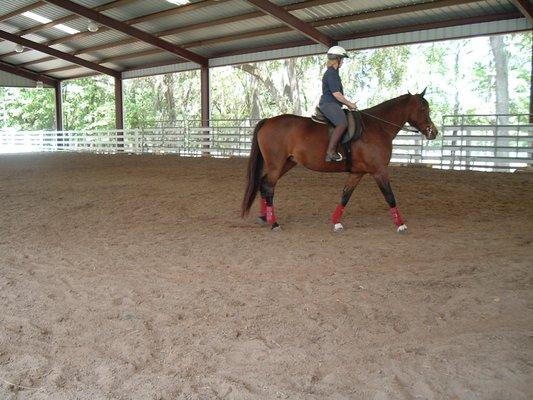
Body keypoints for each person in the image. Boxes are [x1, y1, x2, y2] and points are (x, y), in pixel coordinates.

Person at [319, 46, 358, 162]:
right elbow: (336, 94)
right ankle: (330, 152)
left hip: (333, 104)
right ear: (337, 59)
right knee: (342, 124)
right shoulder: (331, 73)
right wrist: (350, 104)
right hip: (329, 104)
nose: (343, 62)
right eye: (342, 59)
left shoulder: (334, 73)